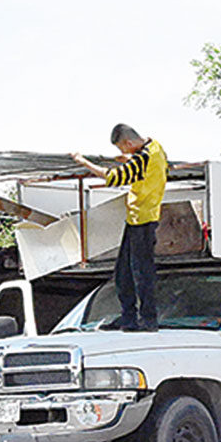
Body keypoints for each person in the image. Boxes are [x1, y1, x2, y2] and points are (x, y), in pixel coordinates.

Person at [72, 124, 168, 331]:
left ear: (128, 143)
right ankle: (129, 317)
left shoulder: (143, 159)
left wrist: (83, 161)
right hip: (137, 219)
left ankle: (147, 319)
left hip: (143, 219)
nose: (121, 152)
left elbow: (112, 177)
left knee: (141, 272)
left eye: (121, 149)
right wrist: (129, 160)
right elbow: (149, 169)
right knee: (124, 272)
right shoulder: (155, 148)